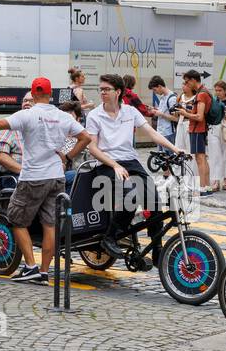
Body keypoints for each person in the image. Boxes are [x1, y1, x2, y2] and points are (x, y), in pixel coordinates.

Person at [0, 77, 116, 284]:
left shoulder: (28, 115)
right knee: (50, 225)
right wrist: (67, 157)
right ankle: (43, 271)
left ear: (33, 93)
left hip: (33, 177)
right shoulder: (62, 116)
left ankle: (31, 266)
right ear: (50, 94)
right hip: (55, 177)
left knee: (14, 218)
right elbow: (85, 138)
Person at [87, 73, 189, 260]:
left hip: (130, 161)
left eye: (106, 89)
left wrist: (176, 149)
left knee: (154, 200)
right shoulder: (95, 115)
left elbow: (152, 133)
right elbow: (92, 147)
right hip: (107, 163)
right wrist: (115, 165)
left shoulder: (130, 112)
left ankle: (157, 246)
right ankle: (110, 237)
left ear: (118, 92)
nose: (102, 92)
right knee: (130, 197)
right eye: (101, 89)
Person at [178, 70, 214, 195]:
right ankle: (207, 186)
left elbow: (199, 116)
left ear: (193, 80)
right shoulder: (205, 91)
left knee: (200, 158)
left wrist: (184, 113)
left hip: (198, 129)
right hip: (201, 129)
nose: (186, 84)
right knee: (203, 158)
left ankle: (202, 187)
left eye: (187, 81)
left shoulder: (201, 95)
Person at [0, 93, 32, 178]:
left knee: (66, 176)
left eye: (32, 101)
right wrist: (26, 173)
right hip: (16, 175)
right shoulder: (11, 126)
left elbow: (60, 152)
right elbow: (1, 157)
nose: (27, 103)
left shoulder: (46, 126)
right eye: (25, 100)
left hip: (43, 174)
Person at [148, 76, 180, 145]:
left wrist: (161, 114)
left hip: (169, 133)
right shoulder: (162, 97)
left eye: (155, 90)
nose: (155, 92)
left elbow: (176, 118)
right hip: (161, 132)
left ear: (159, 86)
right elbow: (164, 111)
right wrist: (155, 110)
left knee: (169, 155)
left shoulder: (172, 98)